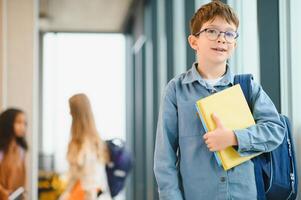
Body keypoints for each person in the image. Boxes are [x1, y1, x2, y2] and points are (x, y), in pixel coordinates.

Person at [153, 1, 285, 199]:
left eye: (229, 33)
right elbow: (165, 160)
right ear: (194, 41)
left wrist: (233, 138)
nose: (222, 39)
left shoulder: (247, 88)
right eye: (212, 31)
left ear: (235, 43)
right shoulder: (176, 91)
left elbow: (276, 130)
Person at [60, 94, 112, 200]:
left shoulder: (77, 144)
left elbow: (74, 179)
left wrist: (64, 196)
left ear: (75, 114)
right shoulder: (97, 141)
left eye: (71, 111)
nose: (69, 113)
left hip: (86, 195)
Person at [0, 108, 28, 200]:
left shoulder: (21, 150)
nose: (23, 127)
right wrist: (3, 192)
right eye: (19, 122)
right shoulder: (2, 150)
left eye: (25, 123)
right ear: (8, 124)